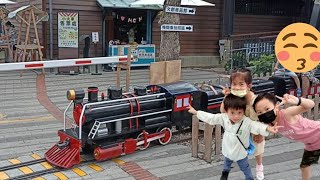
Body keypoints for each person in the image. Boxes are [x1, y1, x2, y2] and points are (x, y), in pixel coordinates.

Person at [187, 94, 280, 180]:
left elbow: (256, 126)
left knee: (245, 167)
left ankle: (249, 178)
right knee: (227, 162)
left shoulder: (246, 122)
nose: (236, 116)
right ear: (227, 111)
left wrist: (268, 128)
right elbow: (211, 118)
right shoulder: (224, 117)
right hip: (228, 148)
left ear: (244, 111)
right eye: (232, 113)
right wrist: (196, 112)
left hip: (240, 151)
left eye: (239, 113)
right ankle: (225, 173)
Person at [253, 93, 320, 180]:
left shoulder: (286, 113)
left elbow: (311, 104)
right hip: (312, 144)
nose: (264, 113)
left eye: (267, 109)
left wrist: (297, 100)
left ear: (276, 107)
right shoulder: (268, 123)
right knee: (304, 166)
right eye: (260, 112)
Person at [219, 68, 266, 180]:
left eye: (241, 84)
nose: (237, 87)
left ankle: (259, 166)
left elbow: (263, 117)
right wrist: (226, 97)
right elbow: (222, 110)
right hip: (241, 127)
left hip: (255, 126)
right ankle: (230, 170)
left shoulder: (256, 100)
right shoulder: (233, 97)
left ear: (249, 86)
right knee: (236, 149)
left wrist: (260, 133)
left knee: (258, 148)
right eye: (234, 84)